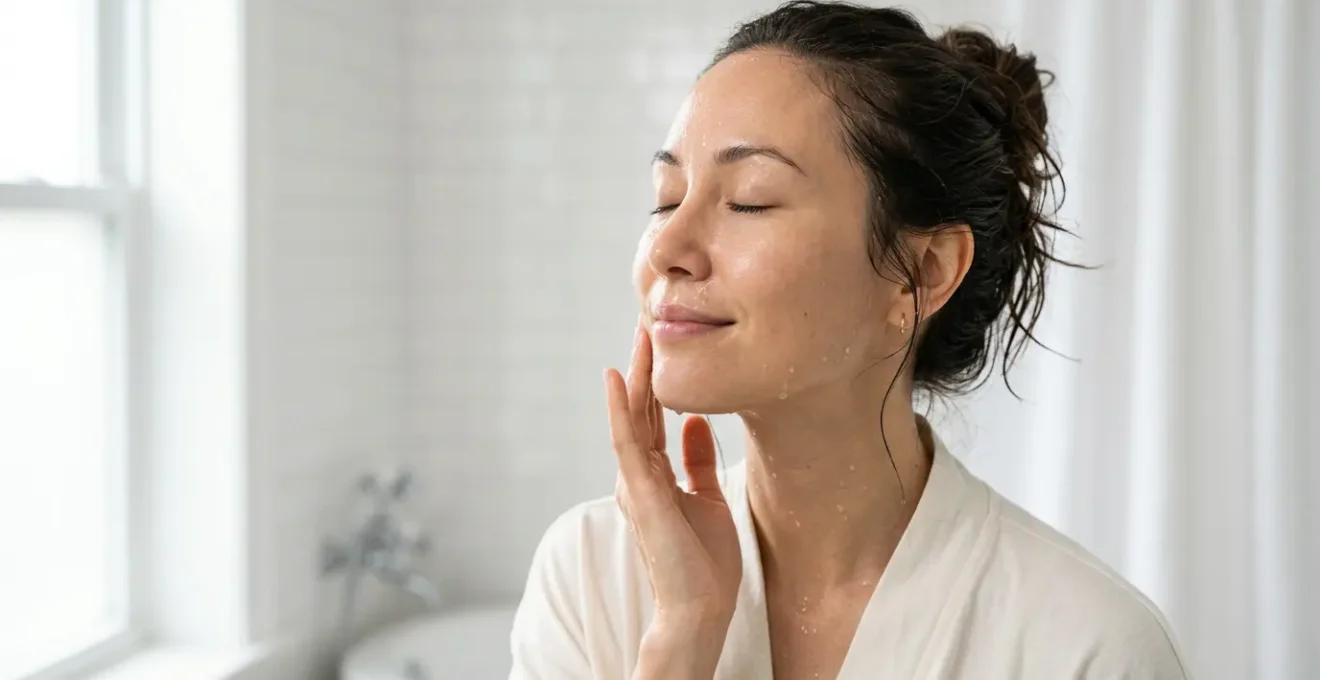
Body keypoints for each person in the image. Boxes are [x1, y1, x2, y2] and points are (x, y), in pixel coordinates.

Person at [510, 2, 1190, 678]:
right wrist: (685, 632)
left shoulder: (1086, 646)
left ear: (921, 273)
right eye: (667, 198)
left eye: (750, 199)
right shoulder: (590, 577)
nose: (666, 249)